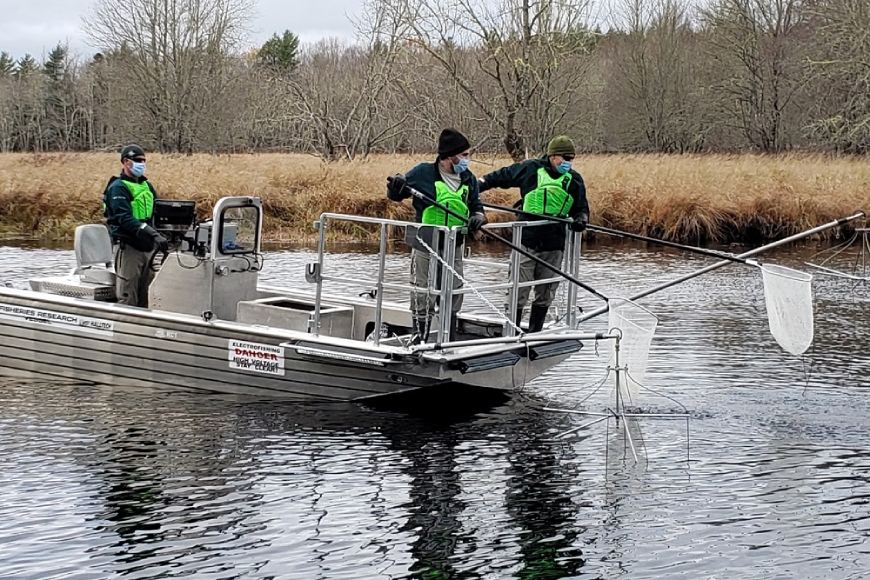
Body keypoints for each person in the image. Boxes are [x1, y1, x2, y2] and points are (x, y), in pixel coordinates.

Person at [478, 135, 589, 333]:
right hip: (527, 242)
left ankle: (535, 332)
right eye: (564, 158)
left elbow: (581, 208)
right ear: (553, 156)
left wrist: (581, 219)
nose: (568, 163)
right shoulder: (530, 169)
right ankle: (512, 332)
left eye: (571, 159)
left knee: (546, 291)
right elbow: (500, 176)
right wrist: (476, 187)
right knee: (519, 289)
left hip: (554, 245)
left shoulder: (575, 181)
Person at [386, 128, 487, 343]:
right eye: (465, 155)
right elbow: (396, 194)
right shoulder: (423, 172)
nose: (467, 160)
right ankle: (419, 336)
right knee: (423, 291)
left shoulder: (468, 178)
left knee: (452, 291)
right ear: (450, 156)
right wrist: (396, 185)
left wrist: (478, 217)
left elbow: (476, 205)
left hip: (454, 245)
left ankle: (448, 337)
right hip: (426, 243)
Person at [103, 144, 168, 307]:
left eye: (144, 161)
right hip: (129, 246)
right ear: (126, 162)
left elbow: (158, 210)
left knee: (148, 294)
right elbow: (124, 218)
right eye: (138, 160)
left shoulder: (147, 186)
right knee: (128, 294)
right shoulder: (118, 187)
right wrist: (151, 232)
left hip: (147, 247)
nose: (142, 164)